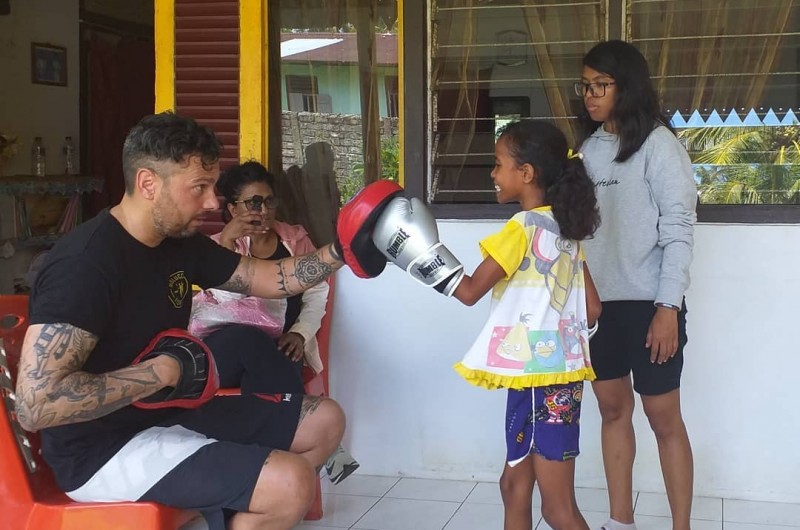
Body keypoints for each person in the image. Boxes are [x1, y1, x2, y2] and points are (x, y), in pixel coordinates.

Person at [13, 112, 390, 530]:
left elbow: (266, 278)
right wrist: (161, 371)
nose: (213, 202)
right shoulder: (85, 265)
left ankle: (230, 510)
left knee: (325, 420)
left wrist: (341, 250)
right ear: (147, 184)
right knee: (290, 482)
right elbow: (37, 404)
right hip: (102, 450)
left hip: (168, 413)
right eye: (200, 188)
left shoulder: (178, 244)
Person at [374, 120, 602, 530]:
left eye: (498, 165)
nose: (493, 175)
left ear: (527, 172)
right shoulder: (566, 232)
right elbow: (593, 307)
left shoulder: (523, 228)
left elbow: (469, 291)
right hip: (558, 377)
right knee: (513, 485)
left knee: (557, 510)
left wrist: (414, 252)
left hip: (537, 382)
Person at [575, 40, 697, 530]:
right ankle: (619, 521)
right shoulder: (586, 151)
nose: (590, 94)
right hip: (600, 309)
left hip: (651, 306)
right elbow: (577, 233)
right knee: (611, 412)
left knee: (663, 418)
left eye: (600, 84)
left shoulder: (660, 147)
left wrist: (668, 307)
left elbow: (679, 231)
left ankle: (680, 525)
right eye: (585, 85)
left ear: (627, 87)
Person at [196, 160, 359, 483]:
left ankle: (264, 473)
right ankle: (326, 441)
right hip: (220, 353)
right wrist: (227, 245)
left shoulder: (294, 240)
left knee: (268, 353)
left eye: (269, 200)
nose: (264, 209)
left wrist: (300, 333)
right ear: (231, 208)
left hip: (278, 353)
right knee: (246, 338)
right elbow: (225, 305)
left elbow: (316, 295)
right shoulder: (212, 247)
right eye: (253, 202)